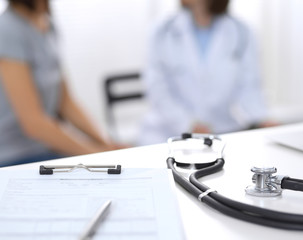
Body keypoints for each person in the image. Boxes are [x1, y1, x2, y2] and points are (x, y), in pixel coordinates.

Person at [0, 0, 128, 167]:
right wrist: (97, 155)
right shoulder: (7, 30)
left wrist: (106, 143)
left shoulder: (47, 25)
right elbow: (33, 123)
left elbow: (65, 102)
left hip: (47, 149)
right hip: (15, 156)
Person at [139, 0, 275, 145]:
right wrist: (189, 125)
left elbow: (250, 86)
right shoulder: (161, 31)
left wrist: (262, 119)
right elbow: (157, 89)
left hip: (221, 131)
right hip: (167, 133)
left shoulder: (242, 32)